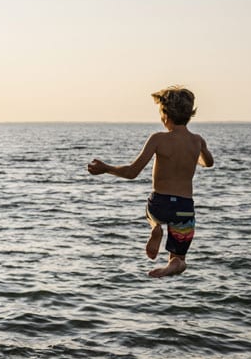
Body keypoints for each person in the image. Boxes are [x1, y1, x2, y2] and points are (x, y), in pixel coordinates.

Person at [87, 86, 214, 277]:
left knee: (152, 213)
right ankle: (173, 264)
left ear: (165, 115)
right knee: (181, 261)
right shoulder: (196, 141)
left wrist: (106, 168)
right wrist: (198, 150)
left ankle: (155, 228)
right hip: (184, 207)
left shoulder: (158, 139)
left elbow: (132, 172)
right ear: (189, 114)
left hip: (159, 204)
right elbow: (209, 163)